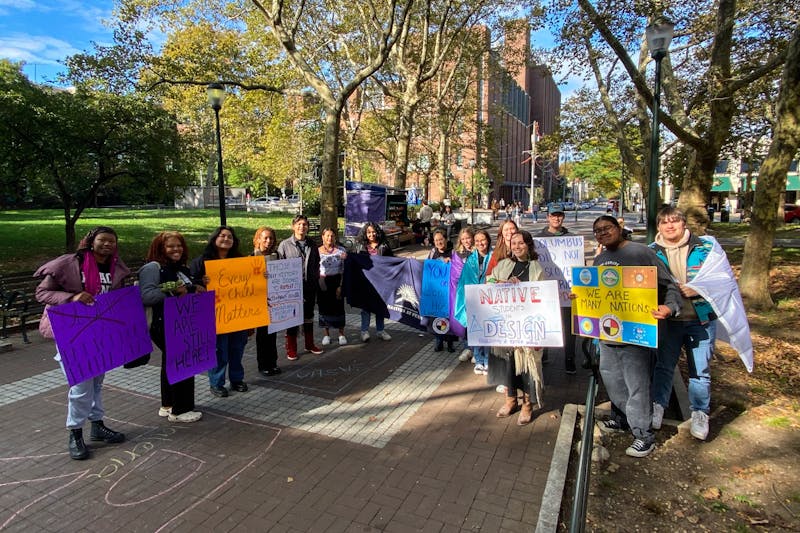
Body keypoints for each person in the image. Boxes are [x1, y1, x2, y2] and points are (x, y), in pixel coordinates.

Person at [34, 226, 129, 460]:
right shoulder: (69, 264)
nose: (107, 245)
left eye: (111, 241)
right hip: (74, 331)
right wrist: (72, 297)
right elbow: (42, 293)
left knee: (97, 382)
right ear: (91, 241)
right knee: (80, 385)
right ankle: (75, 432)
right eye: (102, 240)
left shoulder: (115, 266)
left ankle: (97, 425)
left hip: (101, 330)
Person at [592, 215, 681, 458]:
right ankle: (620, 419)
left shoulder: (641, 253)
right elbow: (592, 292)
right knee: (612, 380)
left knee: (637, 384)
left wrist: (670, 307)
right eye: (597, 231)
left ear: (619, 228)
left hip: (636, 333)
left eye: (607, 228)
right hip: (608, 333)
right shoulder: (599, 260)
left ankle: (644, 435)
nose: (602, 233)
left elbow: (669, 285)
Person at [649, 207, 719, 440]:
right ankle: (658, 405)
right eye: (665, 222)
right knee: (664, 365)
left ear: (684, 224)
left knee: (700, 370)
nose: (670, 226)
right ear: (658, 227)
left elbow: (723, 281)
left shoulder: (706, 248)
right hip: (669, 321)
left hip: (700, 319)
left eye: (675, 221)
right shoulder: (650, 252)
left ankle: (700, 412)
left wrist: (699, 289)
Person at [139, 231, 204, 423]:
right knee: (183, 361)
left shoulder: (180, 268)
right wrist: (172, 291)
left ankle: (168, 405)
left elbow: (187, 288)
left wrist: (197, 285)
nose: (176, 249)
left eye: (179, 245)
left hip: (181, 323)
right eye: (170, 246)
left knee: (171, 362)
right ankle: (181, 410)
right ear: (160, 249)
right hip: (164, 323)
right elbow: (147, 296)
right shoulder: (153, 268)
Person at [486, 230, 545, 425]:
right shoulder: (504, 265)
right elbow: (489, 281)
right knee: (507, 364)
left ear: (528, 245)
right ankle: (510, 400)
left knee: (526, 366)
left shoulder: (536, 269)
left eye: (521, 243)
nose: (517, 246)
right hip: (505, 326)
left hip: (526, 327)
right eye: (513, 243)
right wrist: (501, 283)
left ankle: (527, 404)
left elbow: (543, 295)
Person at [190, 226, 250, 397]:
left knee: (237, 348)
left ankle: (237, 380)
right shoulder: (201, 262)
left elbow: (251, 283)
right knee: (219, 350)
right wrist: (200, 281)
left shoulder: (240, 260)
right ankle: (216, 383)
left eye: (230, 236)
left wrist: (262, 276)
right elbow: (191, 284)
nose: (226, 239)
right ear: (214, 238)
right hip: (215, 315)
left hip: (238, 313)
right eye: (222, 236)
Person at [277, 214, 324, 359]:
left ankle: (309, 344)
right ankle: (291, 349)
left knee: (309, 317)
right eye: (299, 224)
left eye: (304, 224)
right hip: (291, 289)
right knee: (292, 318)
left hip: (309, 287)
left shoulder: (312, 244)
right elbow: (278, 266)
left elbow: (316, 264)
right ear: (293, 226)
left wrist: (315, 280)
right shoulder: (285, 245)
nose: (302, 227)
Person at [537, 206, 577, 373]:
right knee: (544, 323)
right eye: (553, 215)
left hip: (566, 292)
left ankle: (569, 358)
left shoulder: (573, 239)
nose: (556, 218)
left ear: (563, 217)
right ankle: (543, 353)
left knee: (569, 327)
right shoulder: (538, 239)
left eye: (559, 215)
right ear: (548, 217)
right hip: (546, 292)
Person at [455, 229, 493, 374]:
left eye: (482, 240)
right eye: (477, 241)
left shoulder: (494, 257)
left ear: (488, 240)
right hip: (474, 300)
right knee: (475, 329)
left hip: (489, 300)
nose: (480, 243)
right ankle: (479, 359)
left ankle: (488, 360)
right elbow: (463, 280)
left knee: (488, 330)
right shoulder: (470, 260)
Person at [353, 222, 394, 342]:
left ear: (377, 232)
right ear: (365, 233)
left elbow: (392, 261)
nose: (371, 234)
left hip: (381, 282)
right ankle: (364, 331)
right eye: (369, 232)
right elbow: (355, 261)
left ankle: (380, 330)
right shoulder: (360, 246)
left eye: (373, 231)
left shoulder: (384, 246)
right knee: (365, 308)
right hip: (365, 282)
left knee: (380, 307)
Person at [252, 226, 281, 377]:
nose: (268, 241)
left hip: (274, 301)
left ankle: (273, 362)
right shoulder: (251, 257)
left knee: (273, 333)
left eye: (271, 238)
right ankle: (263, 364)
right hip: (259, 301)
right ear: (258, 239)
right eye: (265, 238)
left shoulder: (276, 256)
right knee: (262, 335)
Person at [317, 227, 348, 346]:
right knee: (324, 307)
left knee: (338, 307)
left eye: (332, 236)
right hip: (323, 281)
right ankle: (326, 334)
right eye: (327, 236)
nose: (330, 238)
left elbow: (344, 269)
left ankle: (341, 333)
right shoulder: (317, 251)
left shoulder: (341, 251)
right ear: (323, 237)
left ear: (335, 237)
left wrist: (341, 285)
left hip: (337, 281)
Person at [427, 228, 456, 352]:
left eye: (441, 239)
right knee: (437, 317)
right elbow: (427, 268)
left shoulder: (454, 252)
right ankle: (438, 341)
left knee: (449, 317)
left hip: (450, 290)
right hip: (437, 291)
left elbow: (459, 268)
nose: (439, 242)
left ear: (446, 239)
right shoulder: (433, 252)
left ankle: (450, 343)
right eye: (436, 240)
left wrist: (452, 262)